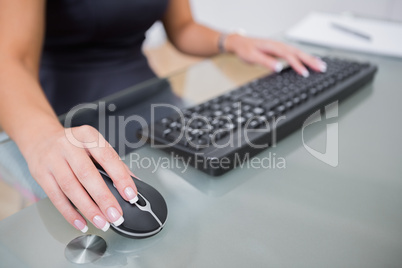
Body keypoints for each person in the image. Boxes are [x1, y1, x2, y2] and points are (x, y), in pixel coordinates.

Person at [0, 0, 326, 233]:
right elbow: (9, 58)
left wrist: (232, 40)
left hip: (149, 97)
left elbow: (183, 28)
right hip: (54, 112)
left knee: (232, 192)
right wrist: (42, 136)